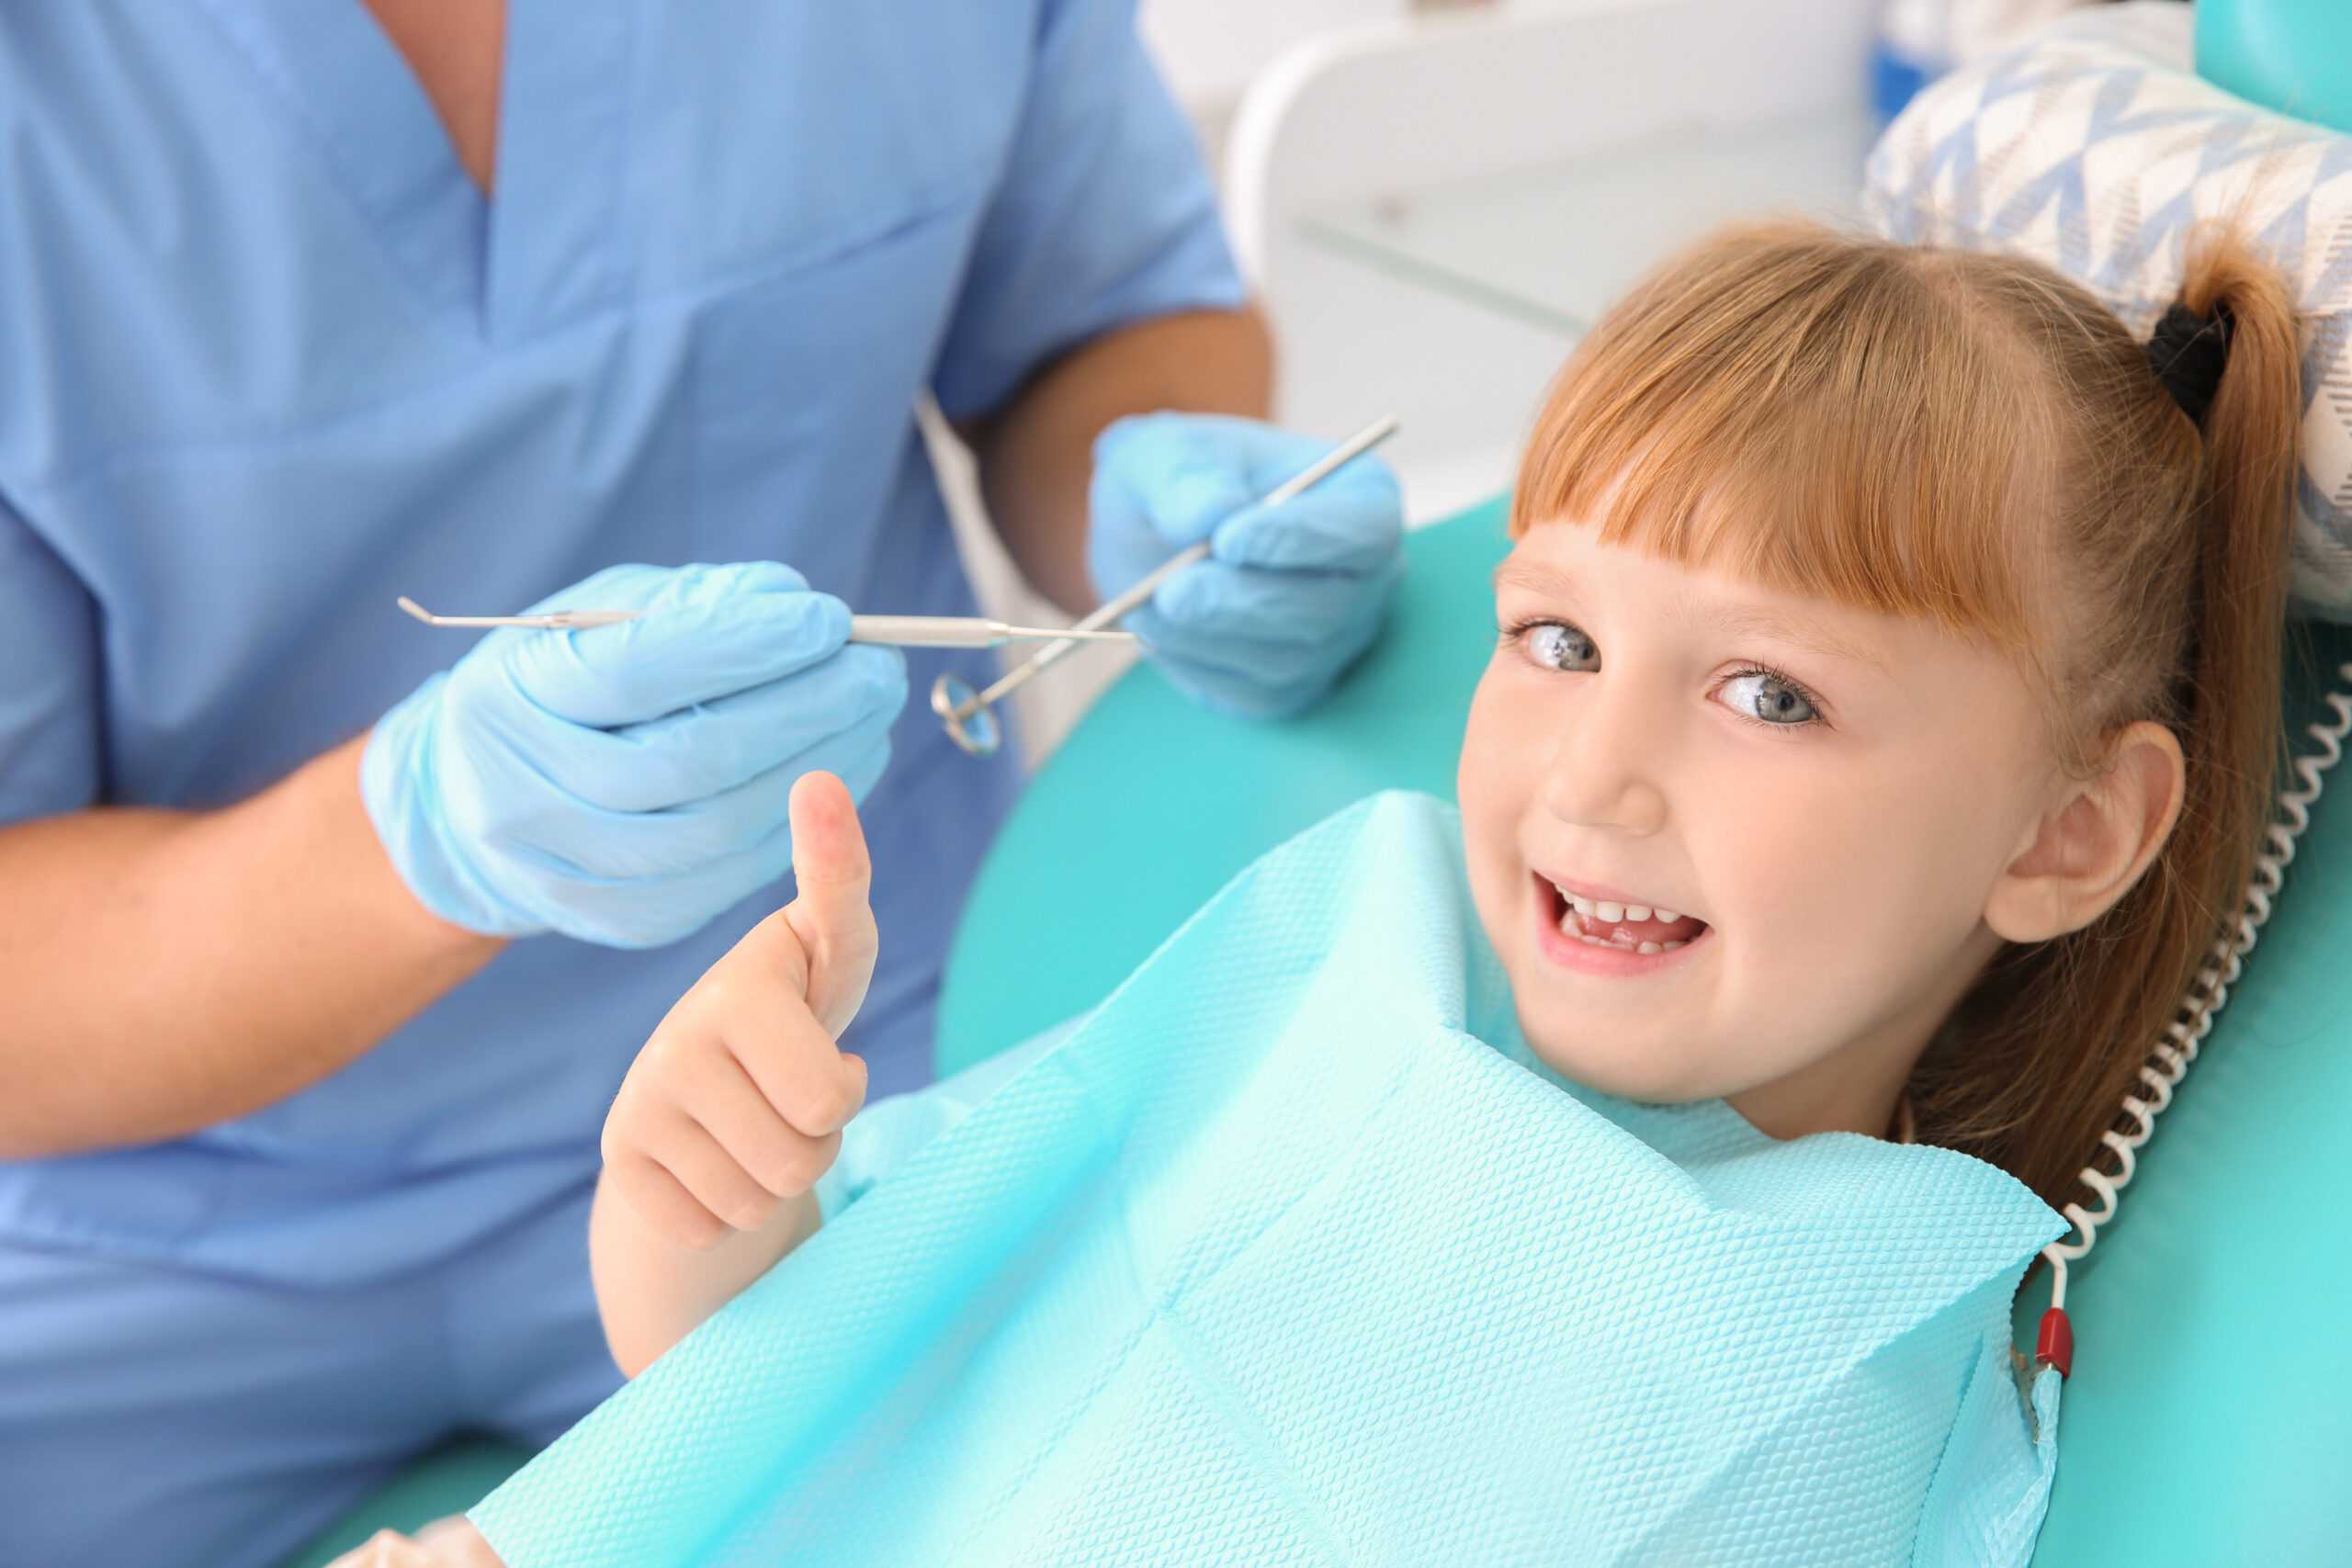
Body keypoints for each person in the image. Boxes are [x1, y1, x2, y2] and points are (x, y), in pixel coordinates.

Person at [399, 218, 2297, 1563]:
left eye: (1765, 690)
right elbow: (823, 1370)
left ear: (2063, 834)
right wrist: (702, 1208)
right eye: (1552, 637)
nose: (1592, 771)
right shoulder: (1334, 974)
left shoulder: (1856, 1354)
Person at [0, 4, 1403, 1565]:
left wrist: (1158, 505)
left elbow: (1100, 320)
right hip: (139, 1231)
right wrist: (422, 839)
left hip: (835, 1092)